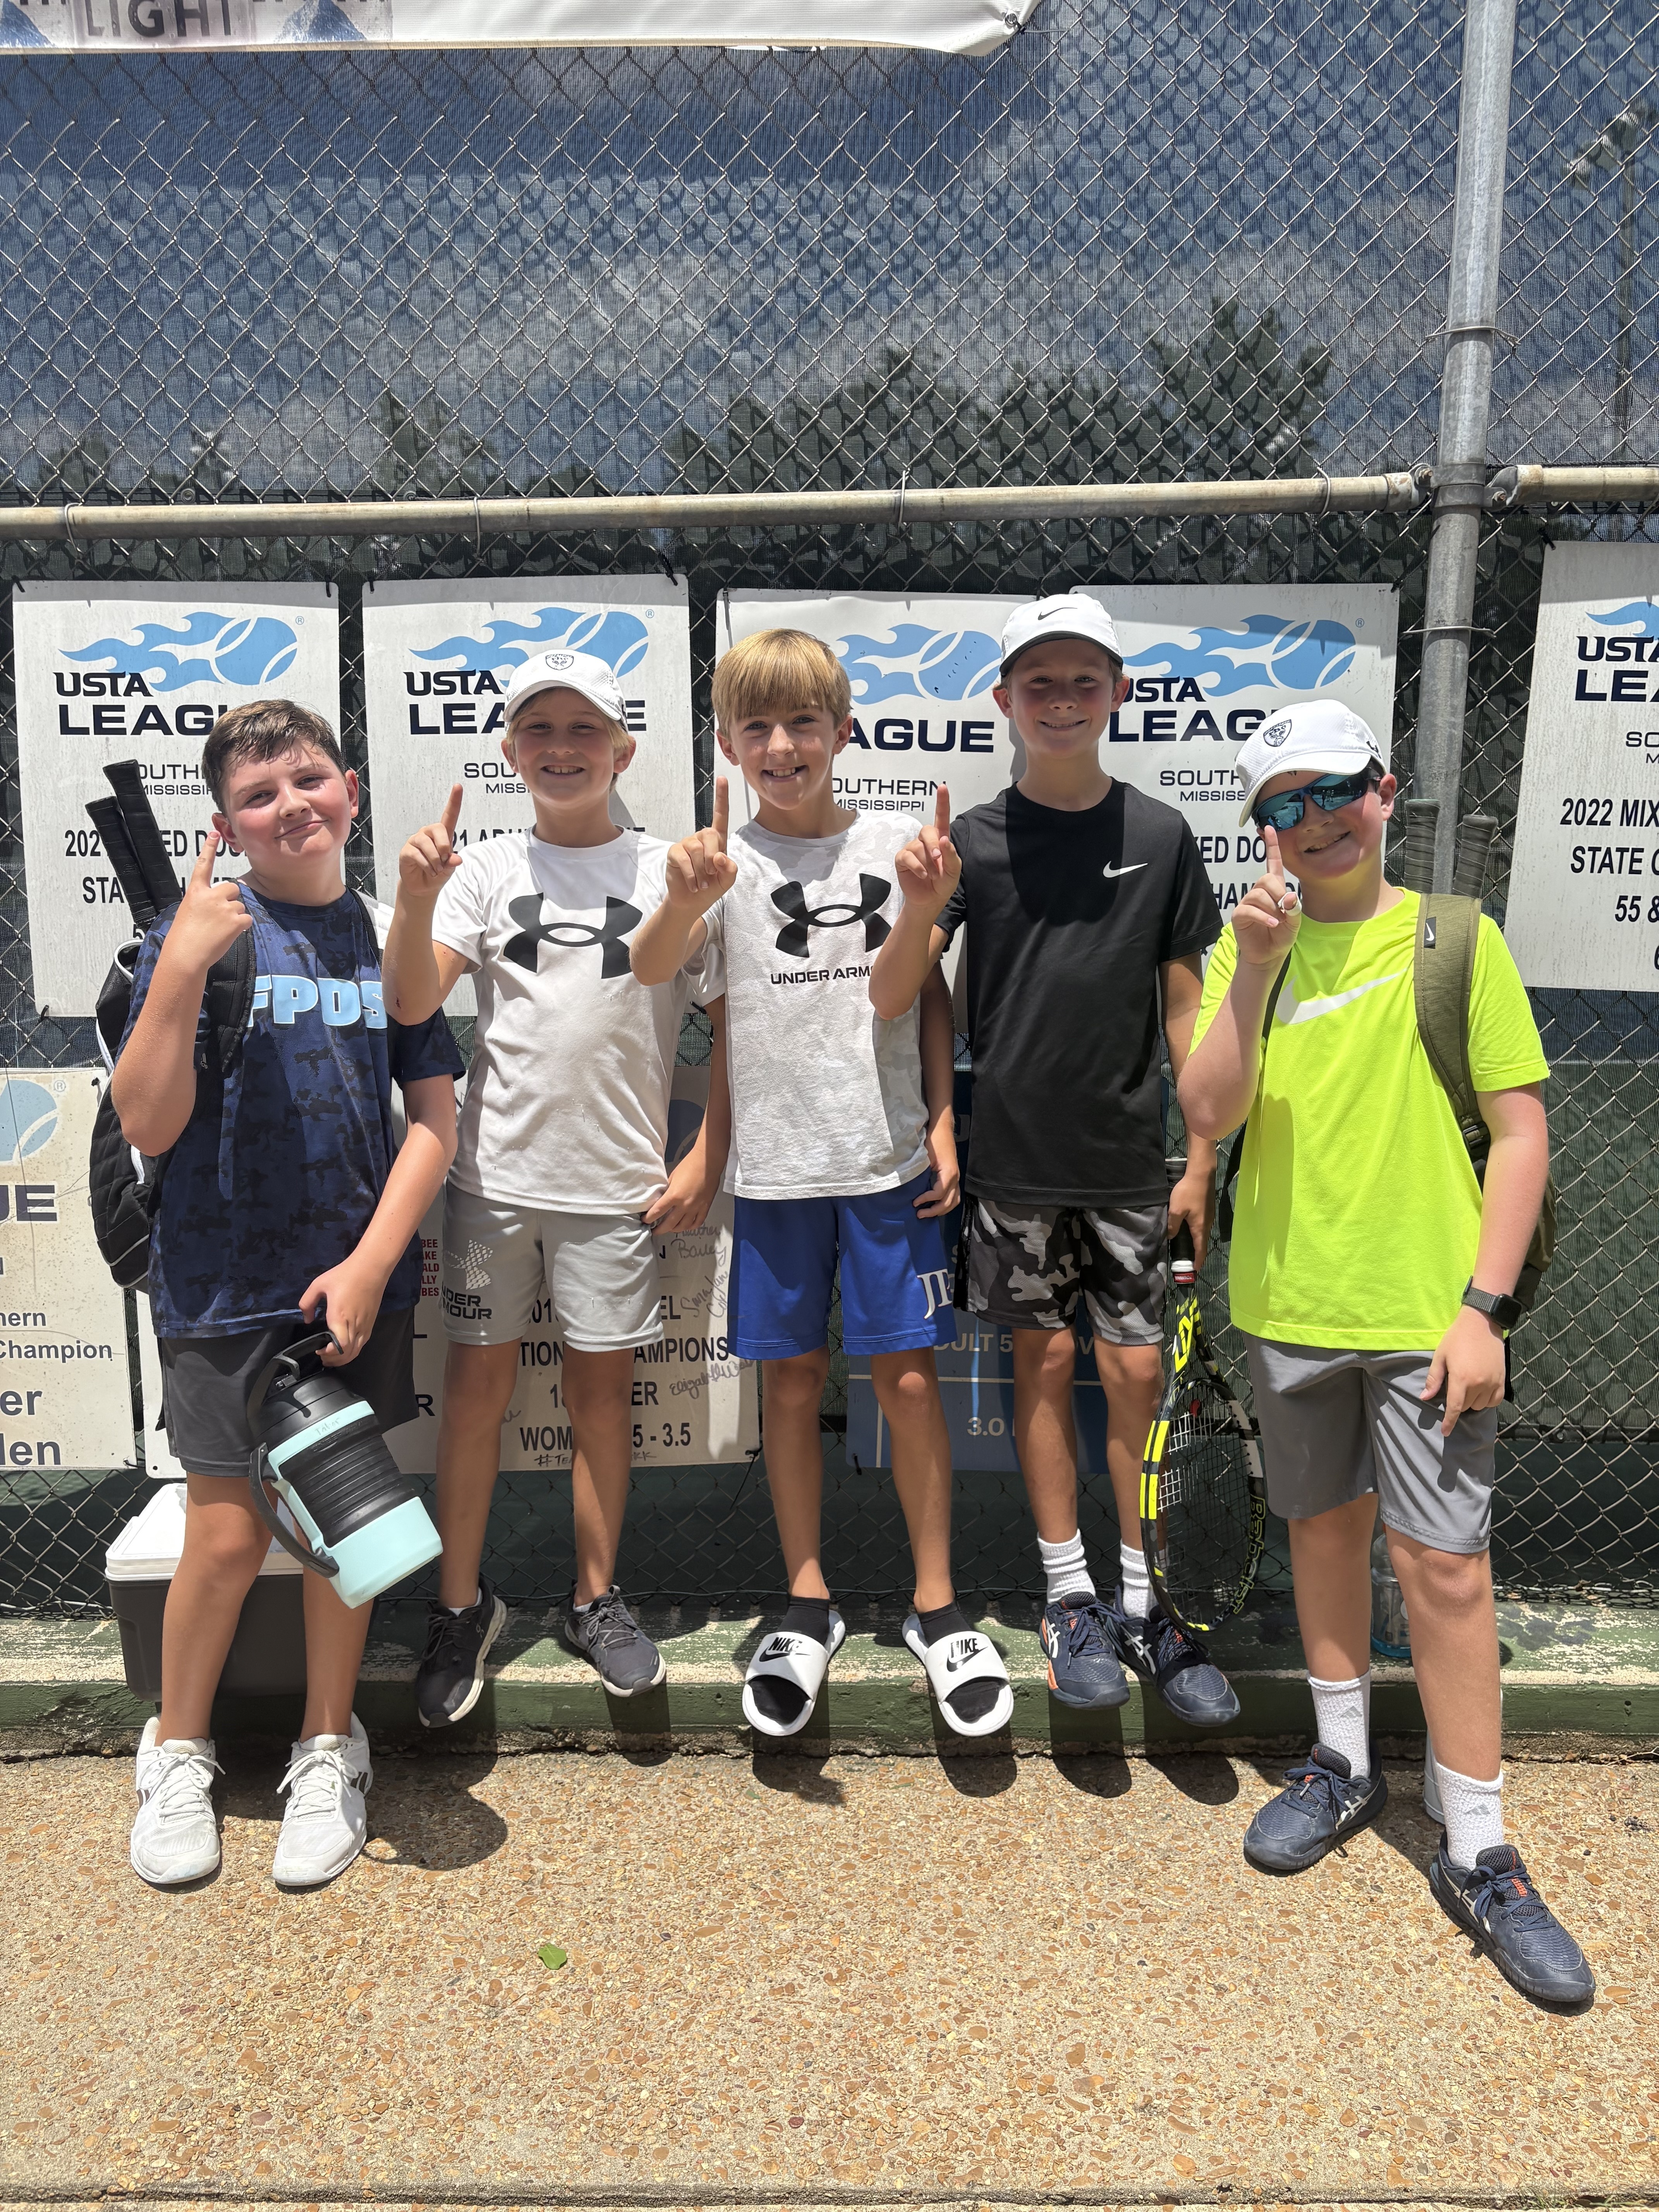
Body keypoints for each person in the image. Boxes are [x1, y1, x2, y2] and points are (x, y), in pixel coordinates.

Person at [1178, 698, 1594, 2007]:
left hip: (1427, 1321)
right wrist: (1248, 970)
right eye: (1279, 806)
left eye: (1332, 792)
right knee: (1319, 1534)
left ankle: (1477, 1844)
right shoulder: (1249, 945)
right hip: (1289, 1307)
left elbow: (1517, 1135)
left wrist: (1479, 1308)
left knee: (1445, 1574)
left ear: (1384, 786)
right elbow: (1207, 1111)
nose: (1311, 824)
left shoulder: (1456, 941)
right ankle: (1343, 1763)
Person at [630, 628, 1013, 1741]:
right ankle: (807, 1600)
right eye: (757, 726)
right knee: (789, 1387)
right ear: (727, 743)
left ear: (844, 732)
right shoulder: (713, 864)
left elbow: (910, 998)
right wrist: (681, 898)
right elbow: (660, 976)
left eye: (804, 723)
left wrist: (941, 1117)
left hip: (886, 1165)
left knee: (904, 1387)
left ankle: (937, 1610)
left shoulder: (900, 845)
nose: (782, 744)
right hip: (778, 1175)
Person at [868, 592, 1238, 1728]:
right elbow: (891, 998)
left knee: (1134, 1377)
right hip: (1013, 1171)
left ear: (1118, 694)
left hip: (1133, 1168)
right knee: (1038, 1369)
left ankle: (1143, 1600)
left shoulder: (1163, 836)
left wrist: (1201, 1158)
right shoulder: (969, 842)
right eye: (1040, 684)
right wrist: (921, 907)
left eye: (1084, 681)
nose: (1063, 701)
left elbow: (1186, 1012)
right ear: (1005, 704)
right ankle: (1067, 1598)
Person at [115, 700, 462, 1891]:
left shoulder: (384, 939)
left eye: (308, 781)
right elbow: (146, 1120)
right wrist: (179, 966)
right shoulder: (197, 930)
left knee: (340, 1539)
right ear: (227, 823)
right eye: (258, 796)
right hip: (218, 1289)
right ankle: (177, 1751)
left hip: (348, 1295)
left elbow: (433, 1119)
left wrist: (371, 1267)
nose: (289, 807)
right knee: (224, 1536)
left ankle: (329, 1746)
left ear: (350, 792)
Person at [382, 649, 723, 1724]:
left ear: (624, 751)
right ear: (509, 753)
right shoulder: (479, 870)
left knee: (599, 1403)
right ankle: (459, 1607)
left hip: (618, 1187)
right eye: (539, 732)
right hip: (491, 1181)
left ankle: (594, 1599)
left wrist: (706, 1156)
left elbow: (727, 1023)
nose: (562, 750)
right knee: (475, 1397)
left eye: (585, 732)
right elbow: (406, 1005)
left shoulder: (679, 867)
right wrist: (412, 897)